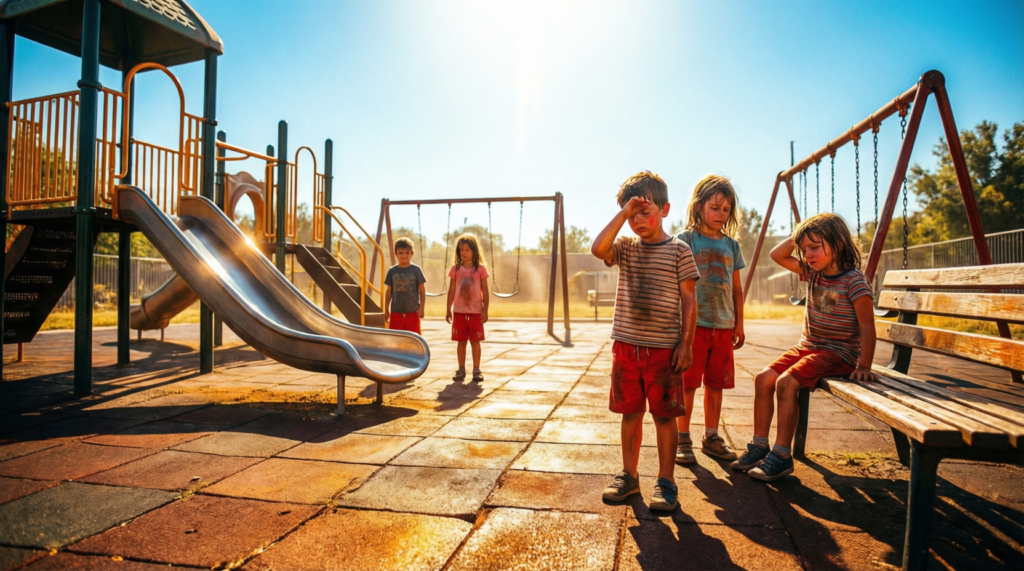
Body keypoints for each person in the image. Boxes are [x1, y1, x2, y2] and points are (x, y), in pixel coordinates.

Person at [732, 212, 876, 481]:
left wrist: (864, 366)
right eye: (804, 249)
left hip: (837, 353)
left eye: (815, 247)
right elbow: (777, 254)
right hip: (808, 347)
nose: (807, 255)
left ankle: (782, 455)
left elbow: (868, 327)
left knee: (786, 383)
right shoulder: (813, 273)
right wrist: (802, 233)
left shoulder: (854, 281)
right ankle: (759, 446)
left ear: (839, 244)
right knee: (764, 379)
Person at [591, 171, 699, 512]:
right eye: (631, 214)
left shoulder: (679, 251)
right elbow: (598, 249)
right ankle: (629, 476)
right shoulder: (625, 247)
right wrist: (622, 214)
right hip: (626, 347)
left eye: (644, 211)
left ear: (665, 210)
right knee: (630, 414)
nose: (638, 220)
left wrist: (686, 343)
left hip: (665, 350)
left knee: (665, 417)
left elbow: (690, 301)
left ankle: (666, 481)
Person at [674, 175, 745, 464]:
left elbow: (736, 288)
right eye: (715, 207)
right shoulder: (686, 240)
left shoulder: (732, 246)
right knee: (687, 385)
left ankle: (712, 436)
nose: (720, 214)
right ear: (699, 206)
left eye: (726, 209)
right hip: (694, 329)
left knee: (716, 384)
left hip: (723, 327)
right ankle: (682, 438)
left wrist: (739, 323)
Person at [445, 233, 489, 382]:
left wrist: (485, 310)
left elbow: (485, 291)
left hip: (476, 312)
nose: (463, 252)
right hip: (459, 311)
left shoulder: (480, 269)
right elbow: (451, 291)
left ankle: (476, 369)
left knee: (475, 342)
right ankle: (461, 369)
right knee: (461, 341)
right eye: (461, 250)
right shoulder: (455, 269)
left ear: (474, 251)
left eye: (467, 250)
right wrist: (448, 309)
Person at [384, 237, 426, 334]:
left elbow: (422, 290)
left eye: (407, 253)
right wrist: (386, 309)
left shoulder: (416, 270)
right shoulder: (392, 271)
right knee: (396, 339)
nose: (404, 256)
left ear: (412, 253)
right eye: (401, 253)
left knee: (414, 338)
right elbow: (389, 292)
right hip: (396, 312)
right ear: (396, 254)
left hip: (413, 312)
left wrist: (422, 307)